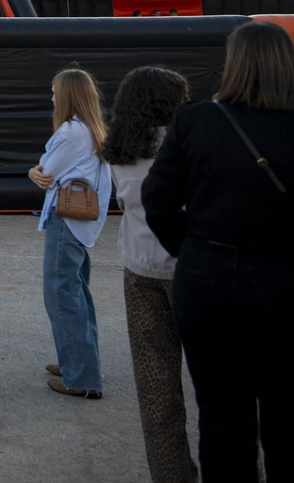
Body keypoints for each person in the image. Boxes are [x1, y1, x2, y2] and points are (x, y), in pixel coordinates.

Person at [143, 21, 294, 480]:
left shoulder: (196, 120)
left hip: (210, 279)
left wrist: (193, 251)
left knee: (221, 416)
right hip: (290, 282)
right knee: (290, 416)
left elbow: (158, 198)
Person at [103, 67, 196, 483]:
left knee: (156, 384)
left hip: (139, 267)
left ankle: (170, 473)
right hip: (191, 268)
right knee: (217, 381)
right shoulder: (188, 144)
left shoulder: (119, 150)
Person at [29, 66, 112, 399]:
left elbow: (46, 172)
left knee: (61, 295)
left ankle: (82, 377)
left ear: (66, 95)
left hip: (66, 221)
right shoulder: (93, 130)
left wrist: (35, 170)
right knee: (78, 294)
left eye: (54, 92)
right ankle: (79, 362)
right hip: (84, 223)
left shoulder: (70, 131)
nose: (51, 98)